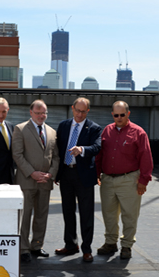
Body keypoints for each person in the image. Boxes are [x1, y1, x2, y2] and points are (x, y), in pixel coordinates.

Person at [96, 100, 153, 259]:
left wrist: (143, 180)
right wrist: (97, 173)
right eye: (116, 115)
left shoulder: (138, 132)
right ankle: (110, 243)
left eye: (122, 115)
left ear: (128, 114)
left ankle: (127, 245)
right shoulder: (107, 130)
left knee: (129, 215)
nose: (119, 118)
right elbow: (100, 154)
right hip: (107, 180)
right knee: (109, 214)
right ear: (112, 114)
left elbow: (146, 157)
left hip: (129, 180)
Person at [12, 99, 59, 263]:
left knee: (41, 216)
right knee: (24, 216)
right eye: (38, 113)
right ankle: (23, 248)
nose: (41, 115)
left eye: (44, 112)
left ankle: (37, 246)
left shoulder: (52, 132)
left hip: (45, 182)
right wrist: (32, 173)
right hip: (26, 181)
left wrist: (50, 174)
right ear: (31, 113)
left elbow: (56, 157)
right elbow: (17, 154)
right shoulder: (20, 129)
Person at [55, 97, 102, 263]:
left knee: (86, 213)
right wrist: (56, 173)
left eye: (83, 111)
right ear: (72, 108)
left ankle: (87, 249)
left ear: (87, 111)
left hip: (84, 176)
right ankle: (70, 244)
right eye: (77, 110)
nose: (80, 114)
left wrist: (81, 149)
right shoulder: (63, 126)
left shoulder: (94, 128)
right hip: (66, 174)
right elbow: (58, 150)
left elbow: (96, 148)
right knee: (68, 211)